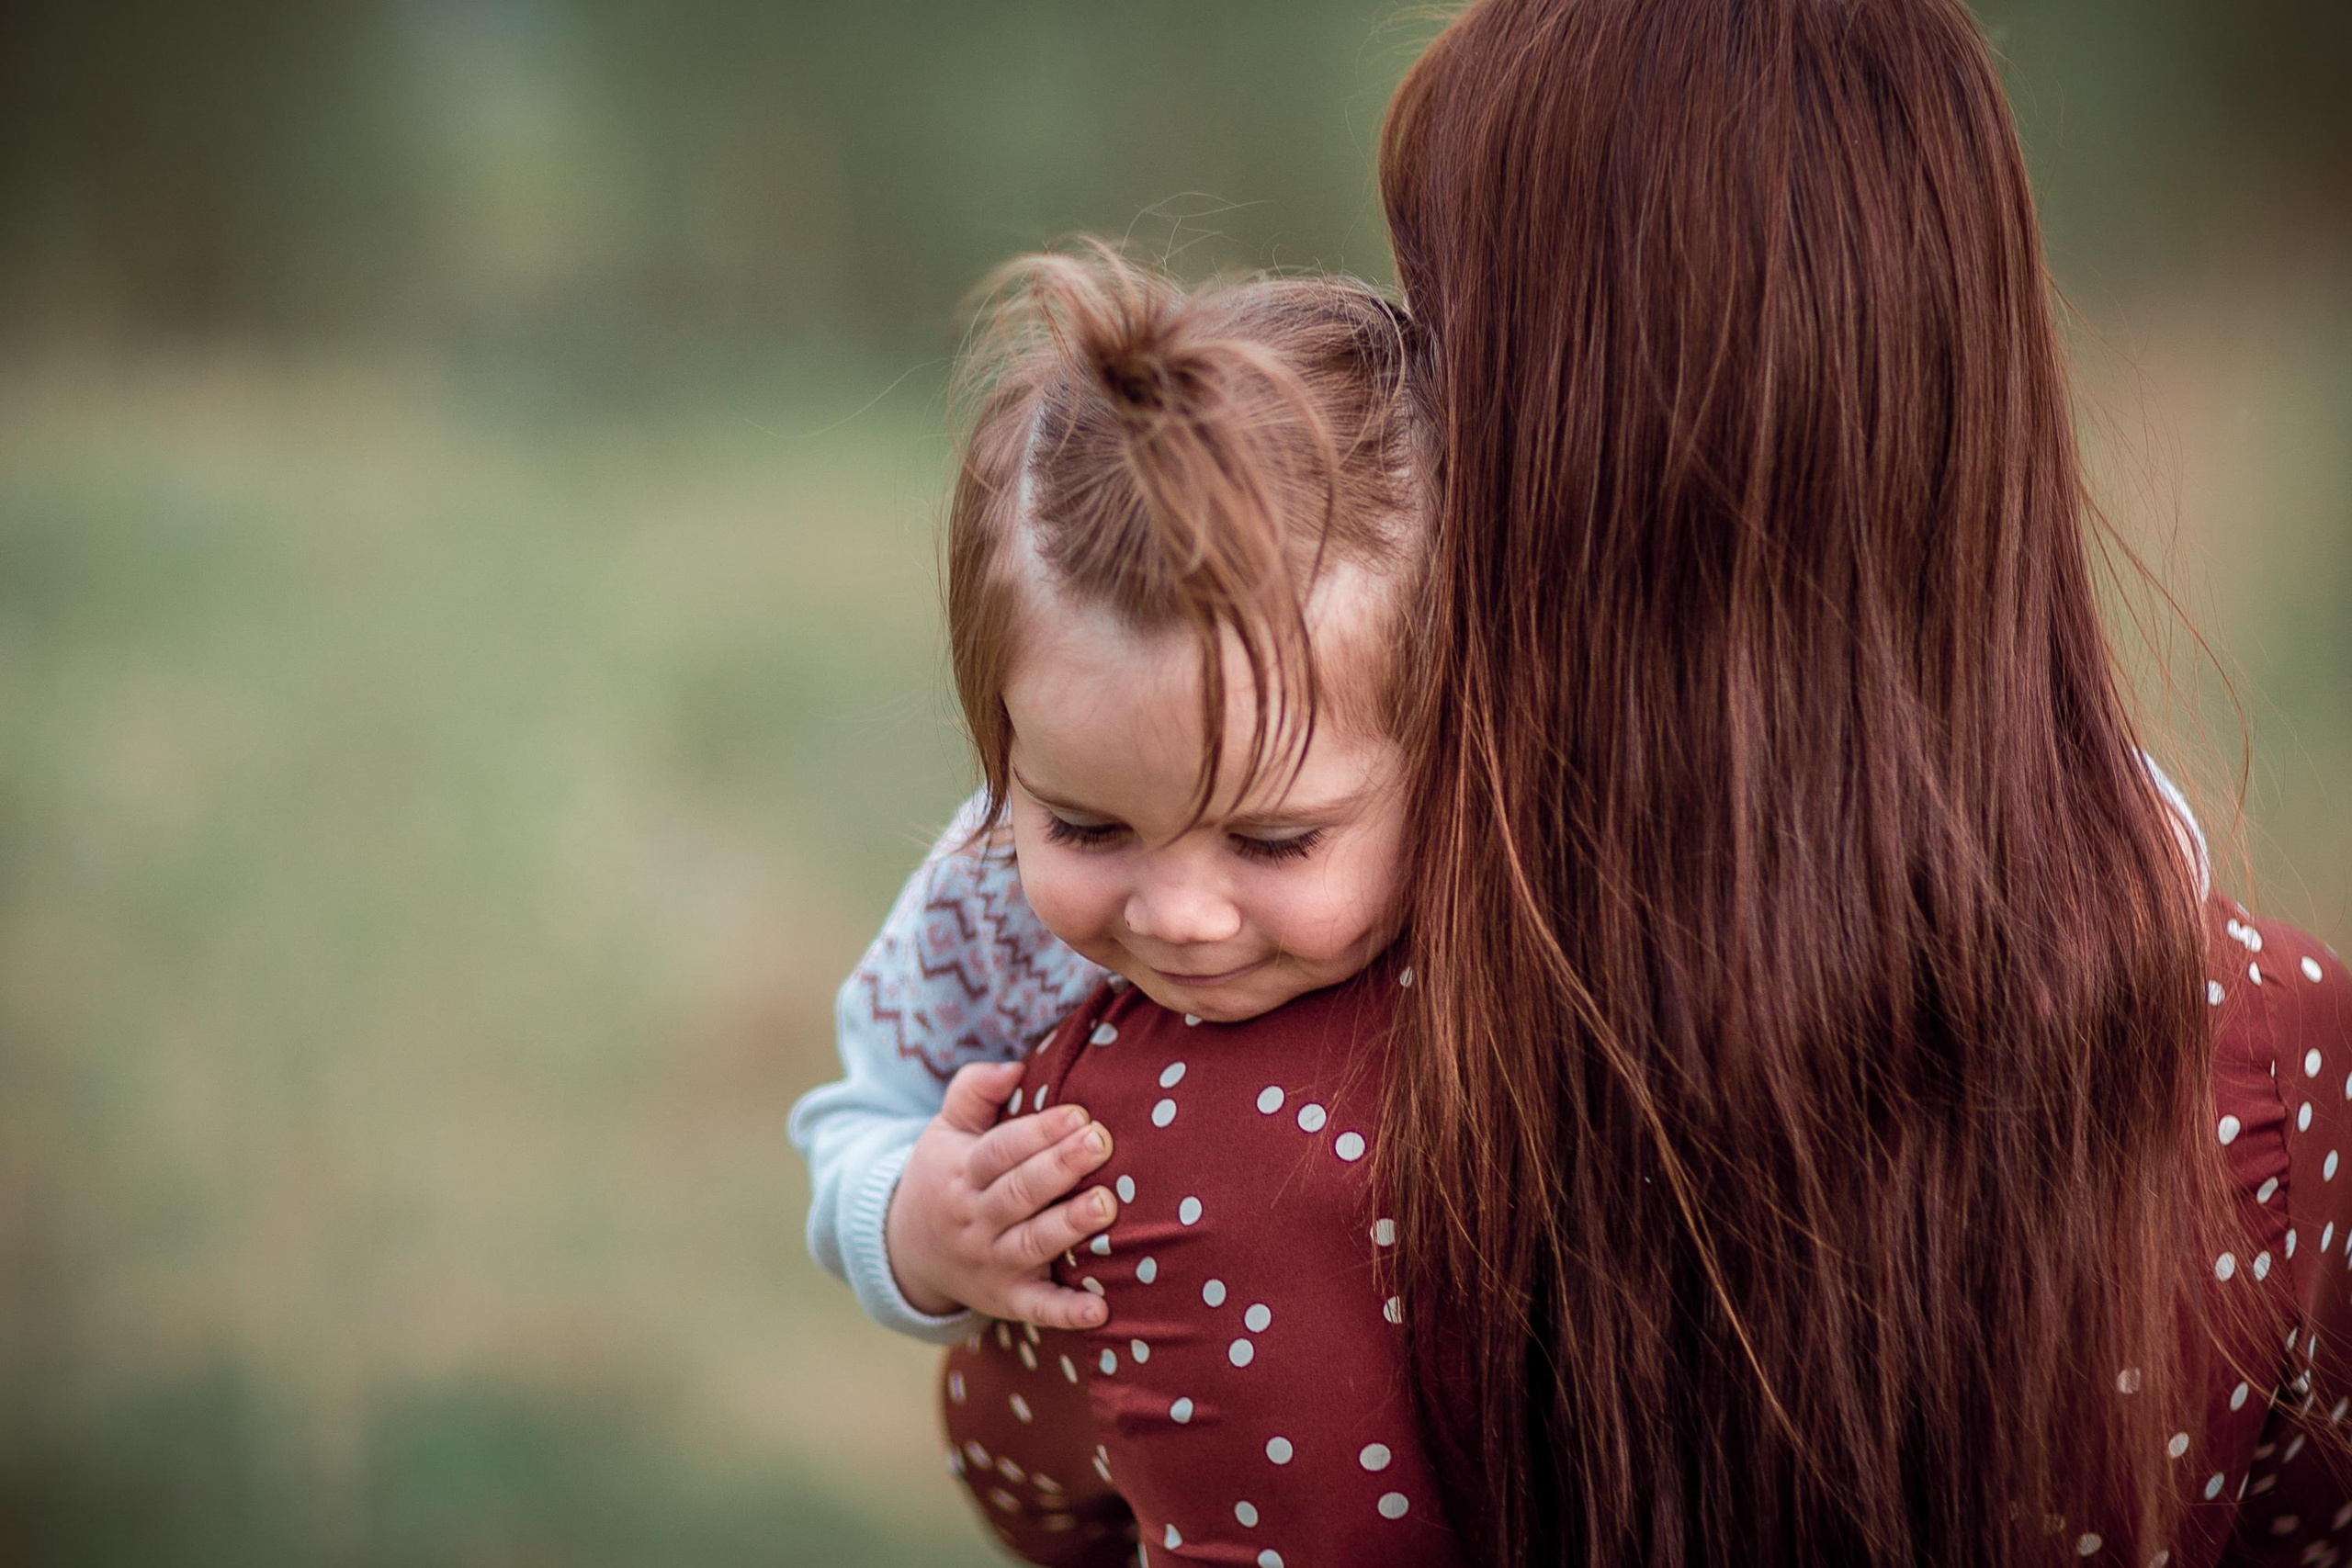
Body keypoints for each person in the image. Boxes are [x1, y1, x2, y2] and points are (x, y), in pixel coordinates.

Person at [1368, 1, 2352, 1565]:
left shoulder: (1243, 1036)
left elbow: (1056, 1487)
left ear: (1551, 453)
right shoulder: (2277, 1057)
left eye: (1426, 342)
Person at [791, 248, 1465, 1562]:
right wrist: (913, 1222)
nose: (1178, 914)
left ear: (1437, 755)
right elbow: (858, 1112)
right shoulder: (984, 903)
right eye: (1086, 826)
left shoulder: (1496, 884)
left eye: (1272, 840)